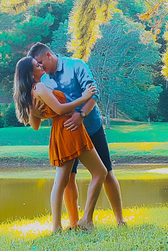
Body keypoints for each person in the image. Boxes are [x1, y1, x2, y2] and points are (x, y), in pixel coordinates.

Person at [28, 42, 126, 227]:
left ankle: (119, 220)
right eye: (37, 65)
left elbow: (93, 93)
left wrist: (81, 115)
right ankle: (74, 223)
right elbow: (48, 109)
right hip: (68, 134)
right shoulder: (42, 80)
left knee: (106, 173)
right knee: (68, 178)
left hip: (91, 127)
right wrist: (38, 113)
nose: (40, 66)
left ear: (49, 55)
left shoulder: (76, 65)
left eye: (41, 62)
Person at [13, 55, 108, 234]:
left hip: (62, 130)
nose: (40, 66)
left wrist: (36, 113)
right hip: (69, 129)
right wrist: (84, 97)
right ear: (31, 73)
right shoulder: (40, 87)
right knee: (97, 173)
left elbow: (35, 125)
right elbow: (60, 109)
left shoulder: (32, 91)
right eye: (36, 65)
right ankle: (79, 221)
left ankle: (64, 225)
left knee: (63, 180)